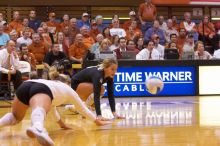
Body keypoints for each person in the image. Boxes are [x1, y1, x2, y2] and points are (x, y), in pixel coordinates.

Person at [0, 67, 111, 146]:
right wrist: (96, 120)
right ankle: (38, 127)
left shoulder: (50, 83)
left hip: (25, 85)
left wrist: (62, 125)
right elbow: (82, 109)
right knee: (40, 109)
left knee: (15, 117)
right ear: (67, 82)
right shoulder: (68, 90)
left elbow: (53, 111)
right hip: (41, 89)